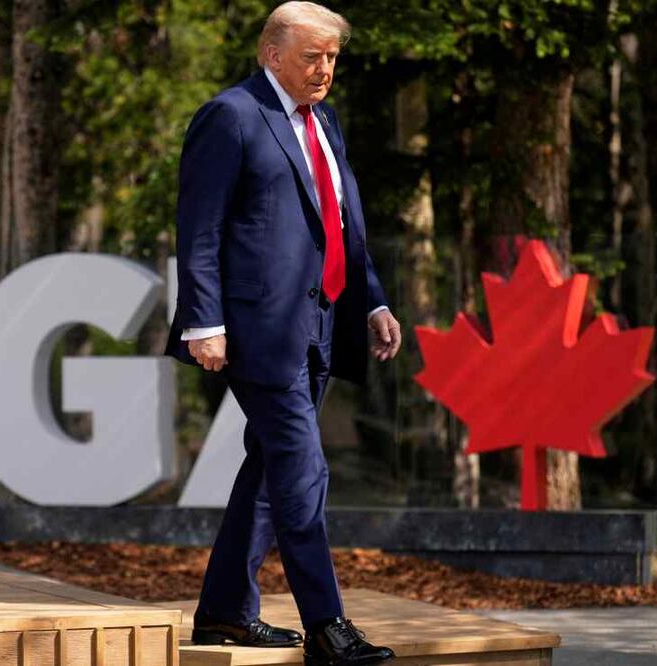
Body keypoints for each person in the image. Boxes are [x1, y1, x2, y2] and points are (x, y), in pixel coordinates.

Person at [164, 3, 401, 666]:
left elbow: (341, 224)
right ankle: (327, 625)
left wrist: (372, 302)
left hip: (321, 323)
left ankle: (224, 613)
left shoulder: (324, 121)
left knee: (271, 468)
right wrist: (204, 321)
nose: (324, 69)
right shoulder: (232, 115)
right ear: (272, 53)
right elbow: (200, 227)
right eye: (311, 57)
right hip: (256, 330)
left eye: (332, 58)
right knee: (303, 470)